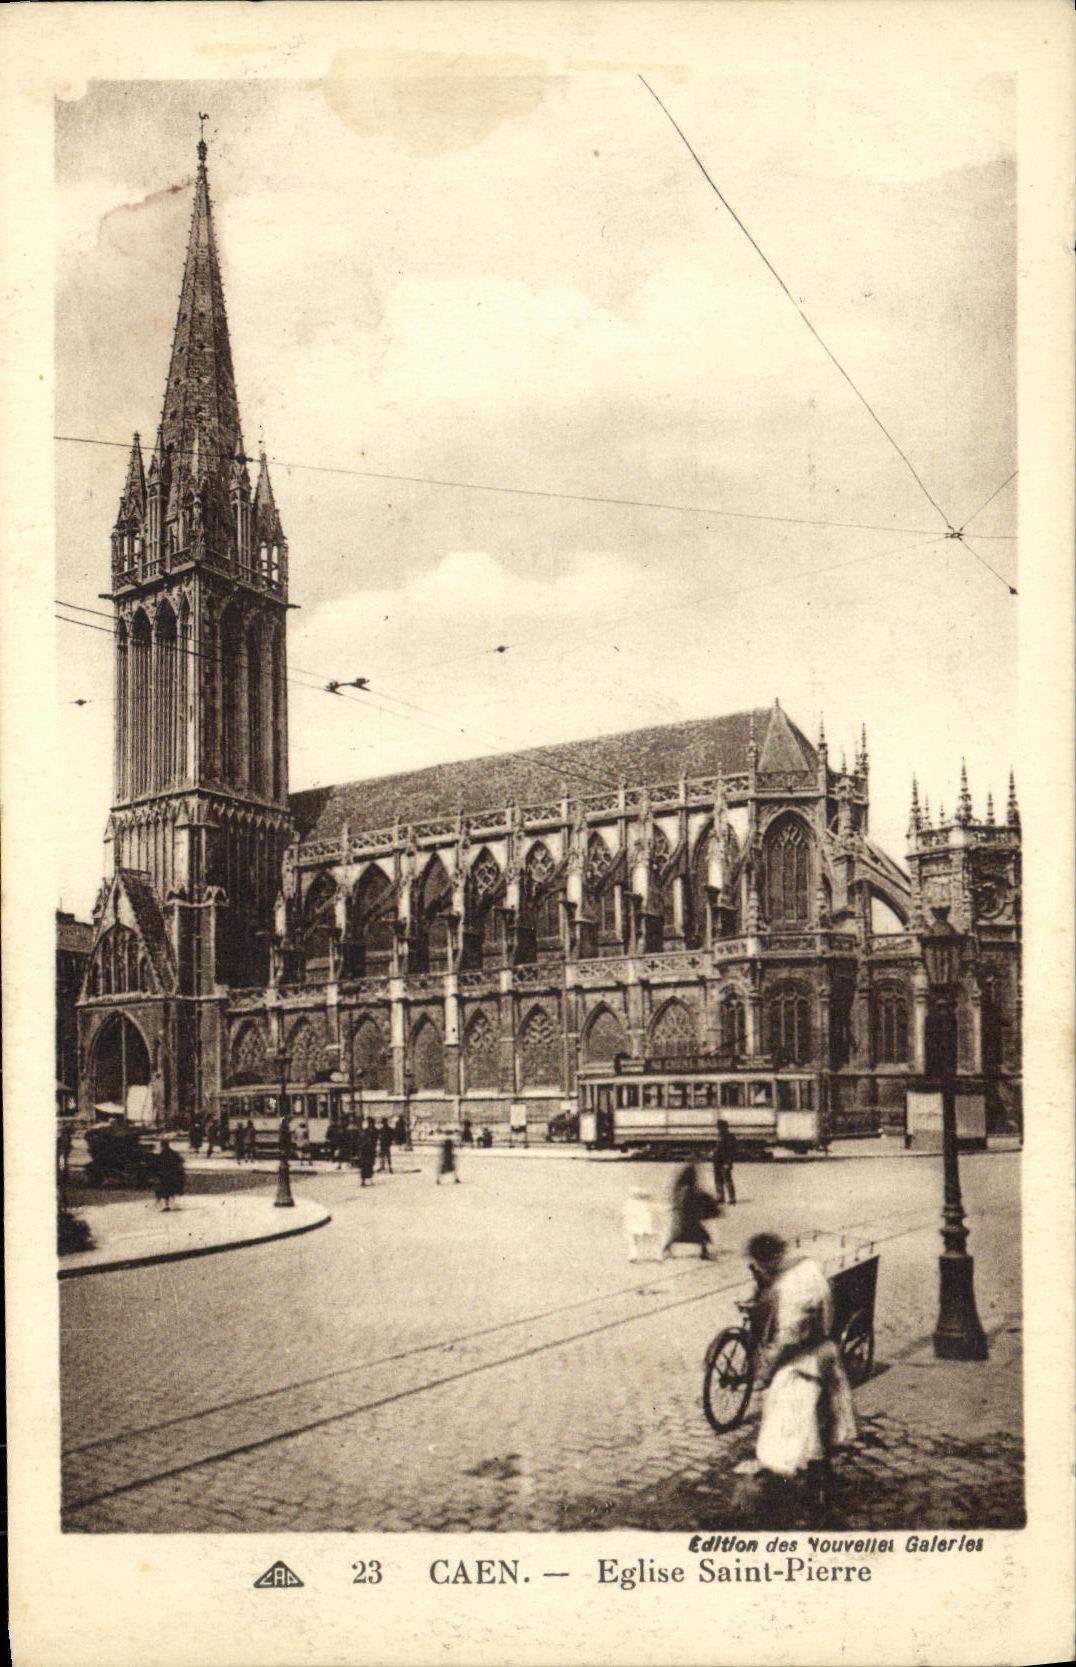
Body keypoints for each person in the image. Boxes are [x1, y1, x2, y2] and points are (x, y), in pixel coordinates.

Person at [735, 1232, 857, 1511]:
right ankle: (819, 1483)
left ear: (769, 1260)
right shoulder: (808, 1267)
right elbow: (827, 1311)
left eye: (760, 1264)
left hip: (802, 1365)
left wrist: (767, 1373)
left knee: (788, 1430)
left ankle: (793, 1495)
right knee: (821, 1422)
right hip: (826, 1355)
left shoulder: (789, 1290)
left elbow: (788, 1339)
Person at [662, 1162, 718, 1259]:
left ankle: (667, 1250)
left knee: (680, 1234)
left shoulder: (681, 1188)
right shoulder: (688, 1190)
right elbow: (688, 1201)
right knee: (700, 1235)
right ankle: (704, 1253)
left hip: (685, 1216)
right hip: (688, 1216)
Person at [712, 1119, 738, 1204]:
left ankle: (732, 1198)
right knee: (718, 1180)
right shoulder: (720, 1136)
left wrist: (728, 1162)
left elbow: (732, 1152)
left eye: (720, 1127)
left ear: (724, 1127)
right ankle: (720, 1197)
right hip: (717, 1161)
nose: (718, 1129)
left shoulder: (729, 1137)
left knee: (727, 1179)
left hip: (724, 1162)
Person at [155, 1139, 185, 1211]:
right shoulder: (174, 1153)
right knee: (171, 1190)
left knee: (164, 1190)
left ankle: (166, 1205)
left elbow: (157, 1165)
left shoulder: (162, 1154)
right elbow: (180, 1162)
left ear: (162, 1145)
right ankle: (171, 1204)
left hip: (165, 1175)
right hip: (173, 1175)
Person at [359, 1119, 377, 1187]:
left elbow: (375, 1140)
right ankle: (363, 1181)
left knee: (370, 1165)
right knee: (364, 1166)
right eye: (370, 1123)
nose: (371, 1125)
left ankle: (369, 1179)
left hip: (371, 1151)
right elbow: (361, 1142)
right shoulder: (365, 1132)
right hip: (365, 1151)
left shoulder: (374, 1131)